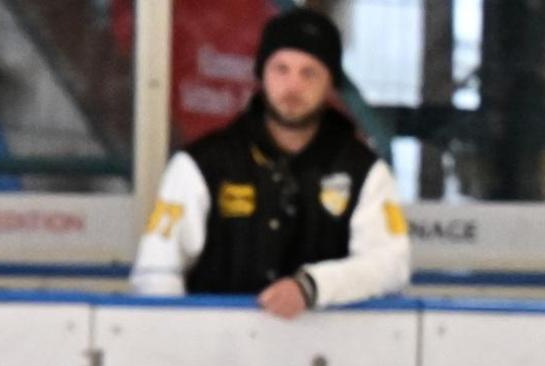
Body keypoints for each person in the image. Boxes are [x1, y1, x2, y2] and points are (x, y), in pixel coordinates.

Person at [131, 8, 410, 318]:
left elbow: (391, 264)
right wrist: (184, 344)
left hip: (327, 358)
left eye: (309, 73)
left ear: (330, 82)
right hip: (214, 357)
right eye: (281, 69)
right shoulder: (201, 164)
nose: (293, 86)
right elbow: (156, 272)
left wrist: (312, 287)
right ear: (261, 74)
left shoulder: (364, 171)